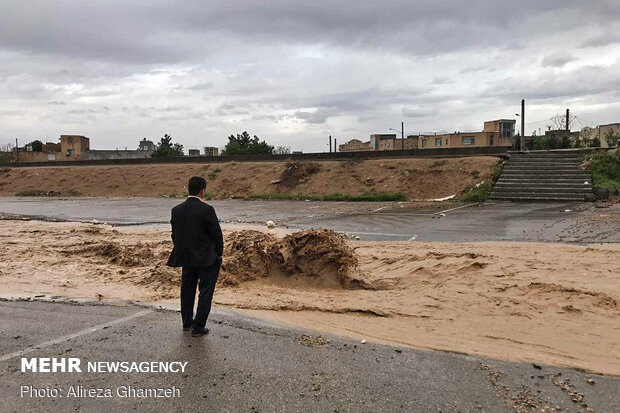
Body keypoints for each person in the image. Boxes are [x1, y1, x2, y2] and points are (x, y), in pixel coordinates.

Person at [167, 176, 223, 337]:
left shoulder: (176, 210)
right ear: (203, 190)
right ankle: (198, 327)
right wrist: (219, 254)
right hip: (207, 258)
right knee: (205, 292)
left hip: (186, 257)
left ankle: (186, 323)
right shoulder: (207, 209)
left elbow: (174, 235)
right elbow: (216, 234)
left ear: (188, 189)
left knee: (187, 290)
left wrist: (181, 249)